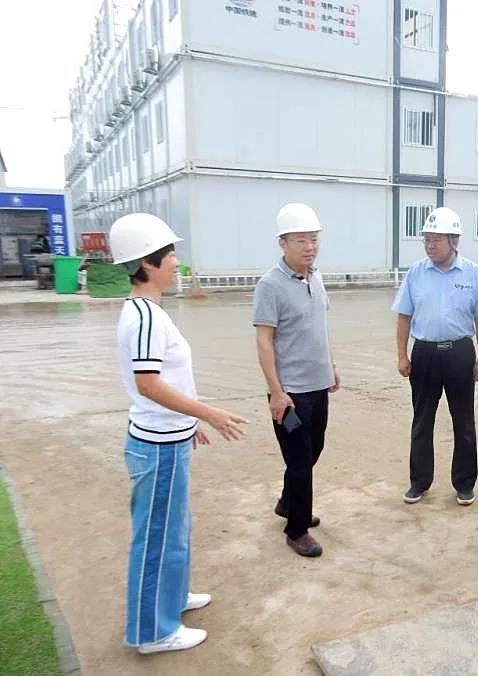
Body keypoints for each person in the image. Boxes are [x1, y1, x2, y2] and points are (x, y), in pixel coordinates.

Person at [111, 213, 247, 654]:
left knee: (174, 530)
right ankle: (154, 632)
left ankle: (171, 598)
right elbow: (149, 385)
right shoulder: (145, 317)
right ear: (145, 263)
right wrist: (209, 413)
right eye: (168, 254)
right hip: (156, 447)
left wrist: (189, 424)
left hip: (166, 438)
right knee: (156, 537)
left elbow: (165, 383)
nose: (176, 261)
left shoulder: (146, 311)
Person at [253, 203, 340, 558]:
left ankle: (289, 503)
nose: (310, 247)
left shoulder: (315, 278)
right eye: (301, 240)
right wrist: (276, 392)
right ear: (283, 243)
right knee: (300, 459)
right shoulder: (270, 285)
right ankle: (297, 529)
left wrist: (331, 367)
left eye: (314, 239)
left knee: (314, 449)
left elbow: (320, 328)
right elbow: (264, 341)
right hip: (290, 396)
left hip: (318, 387)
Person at [391, 206, 478, 506]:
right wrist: (402, 354)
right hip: (424, 353)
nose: (430, 245)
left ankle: (464, 484)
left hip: (460, 353)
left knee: (464, 420)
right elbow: (403, 316)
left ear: (454, 241)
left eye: (436, 239)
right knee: (422, 420)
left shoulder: (473, 274)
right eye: (426, 239)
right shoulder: (416, 273)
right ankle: (419, 482)